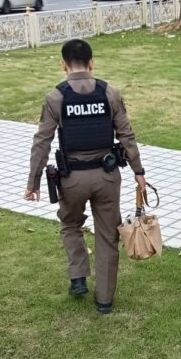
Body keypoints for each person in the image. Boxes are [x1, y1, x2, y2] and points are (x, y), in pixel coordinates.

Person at [25, 39, 148, 314]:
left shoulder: (55, 97)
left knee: (70, 224)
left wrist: (33, 182)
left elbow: (42, 142)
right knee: (108, 236)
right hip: (107, 177)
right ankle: (105, 300)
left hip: (72, 180)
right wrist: (139, 171)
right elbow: (126, 135)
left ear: (64, 65)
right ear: (92, 63)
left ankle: (78, 277)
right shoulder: (110, 93)